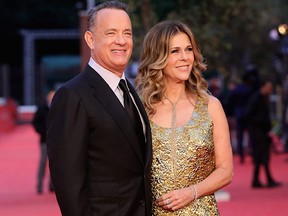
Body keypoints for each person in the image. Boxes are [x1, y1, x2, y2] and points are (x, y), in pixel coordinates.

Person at [47, 1, 152, 216]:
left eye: (127, 33)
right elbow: (68, 181)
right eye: (111, 33)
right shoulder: (73, 95)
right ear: (90, 39)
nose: (121, 41)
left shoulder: (132, 91)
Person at [135, 20, 233, 215]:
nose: (185, 57)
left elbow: (225, 171)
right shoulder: (140, 109)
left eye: (188, 49)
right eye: (175, 51)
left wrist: (191, 192)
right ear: (157, 57)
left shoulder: (211, 106)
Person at [244, 79, 281, 188]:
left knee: (261, 157)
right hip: (257, 132)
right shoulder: (256, 98)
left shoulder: (263, 98)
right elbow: (248, 115)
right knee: (262, 156)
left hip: (262, 131)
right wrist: (261, 122)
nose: (270, 90)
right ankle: (265, 180)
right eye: (269, 88)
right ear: (263, 87)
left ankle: (257, 180)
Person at [32, 89, 55, 194]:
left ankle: (52, 185)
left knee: (55, 163)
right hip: (44, 140)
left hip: (57, 141)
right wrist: (43, 131)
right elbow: (35, 122)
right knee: (43, 162)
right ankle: (39, 184)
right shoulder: (41, 108)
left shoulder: (59, 106)